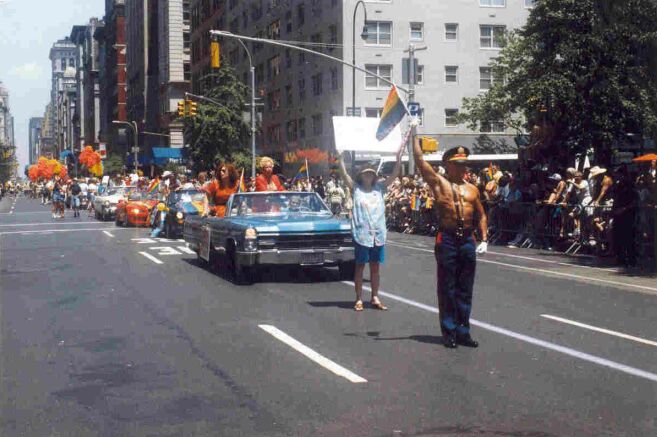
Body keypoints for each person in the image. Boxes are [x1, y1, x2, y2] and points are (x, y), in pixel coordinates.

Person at [413, 139, 488, 349]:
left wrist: (484, 238)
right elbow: (420, 161)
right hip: (447, 239)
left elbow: (481, 215)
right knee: (447, 287)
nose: (463, 167)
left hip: (467, 240)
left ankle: (463, 331)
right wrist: (414, 133)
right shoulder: (438, 183)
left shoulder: (472, 189)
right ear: (448, 164)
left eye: (464, 164)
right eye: (458, 163)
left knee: (465, 288)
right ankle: (449, 332)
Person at [338, 150, 402, 312]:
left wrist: (398, 160)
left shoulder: (380, 188)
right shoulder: (356, 189)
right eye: (366, 174)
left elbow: (394, 175)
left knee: (375, 267)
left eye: (371, 174)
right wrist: (340, 159)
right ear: (361, 176)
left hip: (378, 234)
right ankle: (359, 298)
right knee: (360, 267)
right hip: (362, 234)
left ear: (374, 177)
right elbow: (344, 175)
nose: (368, 176)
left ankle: (375, 296)